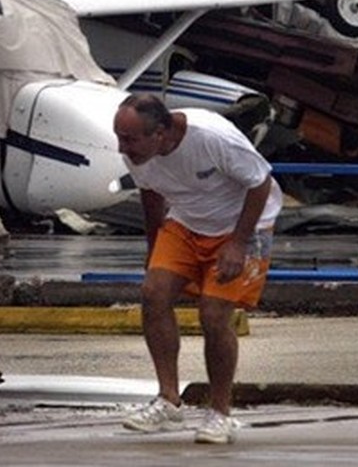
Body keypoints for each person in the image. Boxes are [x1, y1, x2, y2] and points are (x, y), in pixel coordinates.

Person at [112, 93, 282, 444]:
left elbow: (259, 181)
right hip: (186, 223)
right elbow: (150, 193)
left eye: (129, 139)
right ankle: (168, 398)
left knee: (213, 313)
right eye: (119, 137)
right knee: (153, 294)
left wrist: (238, 242)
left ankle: (219, 411)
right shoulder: (137, 151)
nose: (121, 148)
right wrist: (153, 246)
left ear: (161, 132)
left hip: (242, 226)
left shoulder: (212, 137)